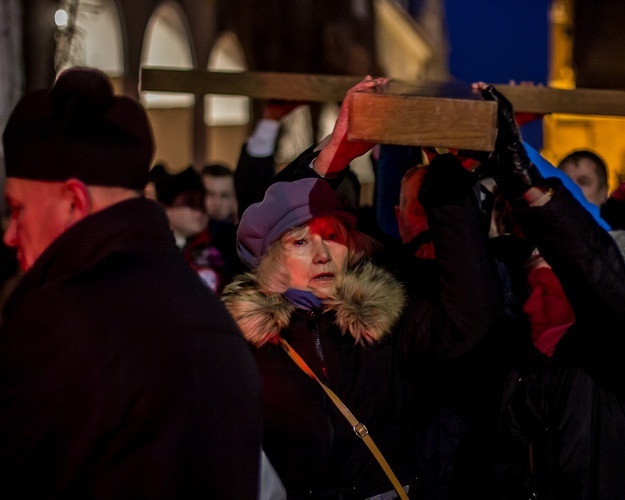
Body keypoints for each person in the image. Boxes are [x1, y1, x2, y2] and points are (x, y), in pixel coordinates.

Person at [223, 77, 505, 498]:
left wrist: (447, 178)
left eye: (333, 236)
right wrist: (333, 152)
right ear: (271, 259)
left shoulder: (385, 321)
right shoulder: (242, 342)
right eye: (300, 241)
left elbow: (470, 317)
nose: (321, 253)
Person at [0, 67, 262, 498]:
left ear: (73, 201)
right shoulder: (203, 306)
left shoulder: (61, 320)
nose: (10, 234)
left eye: (17, 209)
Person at [476, 82, 625, 499]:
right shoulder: (526, 338)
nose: (566, 193)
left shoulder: (624, 257)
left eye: (581, 184)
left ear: (604, 192)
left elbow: (614, 269)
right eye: (560, 183)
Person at [153, 165, 226, 293]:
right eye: (190, 202)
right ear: (164, 207)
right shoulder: (150, 250)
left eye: (202, 202)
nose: (200, 210)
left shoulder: (218, 248)